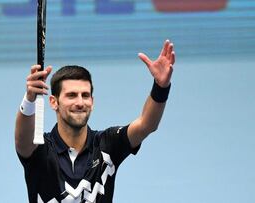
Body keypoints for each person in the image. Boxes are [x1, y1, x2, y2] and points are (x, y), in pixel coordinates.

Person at [15, 40, 175, 202]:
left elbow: (146, 125)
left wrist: (160, 88)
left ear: (92, 102)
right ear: (54, 102)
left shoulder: (108, 144)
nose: (79, 102)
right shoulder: (41, 149)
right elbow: (22, 140)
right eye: (71, 95)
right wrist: (29, 100)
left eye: (85, 95)